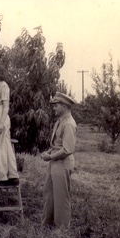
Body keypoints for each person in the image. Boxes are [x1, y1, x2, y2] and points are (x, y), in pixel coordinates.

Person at [41, 92, 77, 229]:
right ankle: (47, 225)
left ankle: (61, 231)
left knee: (61, 198)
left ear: (64, 106)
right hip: (55, 162)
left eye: (56, 106)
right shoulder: (60, 121)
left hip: (62, 163)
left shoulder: (68, 124)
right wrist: (49, 151)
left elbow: (67, 149)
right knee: (49, 193)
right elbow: (57, 144)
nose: (53, 108)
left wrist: (50, 156)